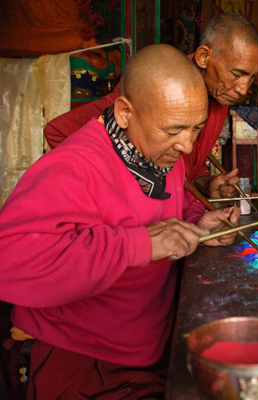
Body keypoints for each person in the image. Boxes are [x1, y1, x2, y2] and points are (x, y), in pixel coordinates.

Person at [0, 44, 240, 399]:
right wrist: (140, 243)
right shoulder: (75, 166)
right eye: (175, 130)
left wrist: (197, 224)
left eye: (196, 128)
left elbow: (173, 202)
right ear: (126, 113)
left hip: (149, 352)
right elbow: (9, 260)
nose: (187, 146)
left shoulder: (158, 149)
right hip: (84, 362)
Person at [44, 12, 258, 200]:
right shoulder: (157, 85)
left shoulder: (219, 94)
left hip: (175, 219)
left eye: (252, 77)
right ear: (204, 57)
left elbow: (188, 166)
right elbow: (59, 132)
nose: (243, 89)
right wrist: (116, 195)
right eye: (237, 74)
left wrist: (206, 184)